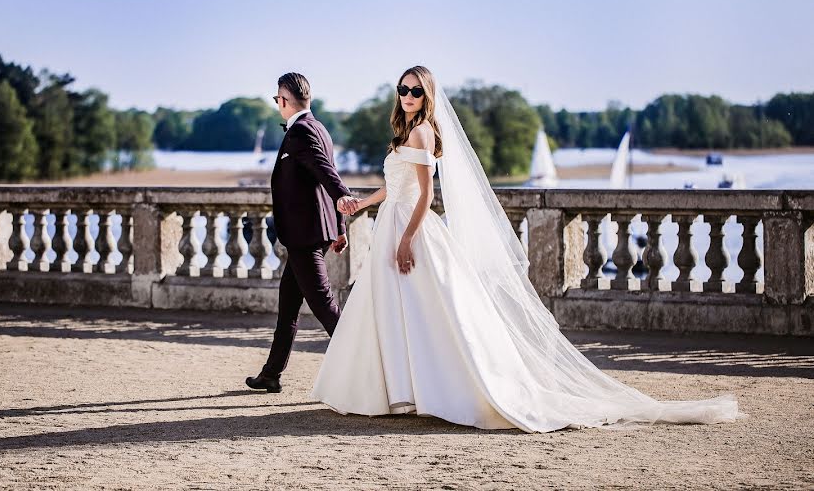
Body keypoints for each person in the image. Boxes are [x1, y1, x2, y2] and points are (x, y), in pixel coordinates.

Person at [311, 65, 742, 432]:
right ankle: (399, 389)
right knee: (394, 308)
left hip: (412, 230)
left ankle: (443, 388)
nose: (407, 96)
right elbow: (394, 187)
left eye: (415, 90)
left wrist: (407, 240)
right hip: (392, 221)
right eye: (402, 90)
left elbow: (425, 196)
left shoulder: (423, 133)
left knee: (431, 310)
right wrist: (358, 203)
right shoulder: (405, 130)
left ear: (428, 96)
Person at [246, 72, 357, 393]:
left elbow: (327, 174)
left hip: (305, 235)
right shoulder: (318, 127)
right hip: (311, 232)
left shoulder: (303, 132)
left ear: (282, 100)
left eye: (276, 99)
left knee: (324, 306)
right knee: (289, 305)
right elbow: (319, 178)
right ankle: (271, 373)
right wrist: (339, 227)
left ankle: (372, 365)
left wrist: (344, 198)